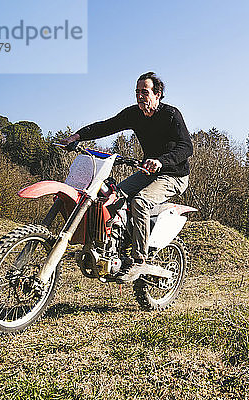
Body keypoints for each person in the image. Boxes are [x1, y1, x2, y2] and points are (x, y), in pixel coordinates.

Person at [60, 72, 193, 283]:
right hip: (148, 172)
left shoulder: (171, 115)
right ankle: (116, 247)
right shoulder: (134, 114)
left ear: (157, 94)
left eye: (145, 92)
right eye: (137, 92)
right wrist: (77, 136)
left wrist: (161, 161)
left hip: (173, 175)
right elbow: (106, 126)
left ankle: (139, 259)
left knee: (140, 201)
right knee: (112, 196)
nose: (140, 96)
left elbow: (186, 147)